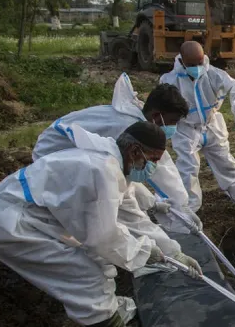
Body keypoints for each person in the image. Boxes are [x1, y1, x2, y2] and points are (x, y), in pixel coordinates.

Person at [0, 122, 203, 327]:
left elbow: (133, 218)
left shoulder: (114, 164)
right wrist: (145, 252)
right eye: (153, 160)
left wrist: (173, 251)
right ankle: (104, 320)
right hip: (13, 225)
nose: (153, 168)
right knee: (86, 275)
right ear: (135, 151)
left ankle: (107, 310)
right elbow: (103, 237)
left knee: (99, 261)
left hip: (33, 216)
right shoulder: (101, 172)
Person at [33, 74, 200, 234]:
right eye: (172, 122)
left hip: (68, 148)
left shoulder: (138, 117)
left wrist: (154, 204)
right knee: (97, 207)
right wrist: (181, 205)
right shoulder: (127, 127)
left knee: (119, 184)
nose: (173, 128)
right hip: (54, 153)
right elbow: (161, 171)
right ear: (157, 116)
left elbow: (137, 178)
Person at [161, 41, 235, 212]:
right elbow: (162, 104)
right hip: (187, 128)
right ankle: (190, 206)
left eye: (200, 63)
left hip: (212, 124)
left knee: (225, 160)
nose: (197, 68)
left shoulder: (212, 74)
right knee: (188, 168)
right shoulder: (170, 80)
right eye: (192, 65)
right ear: (182, 62)